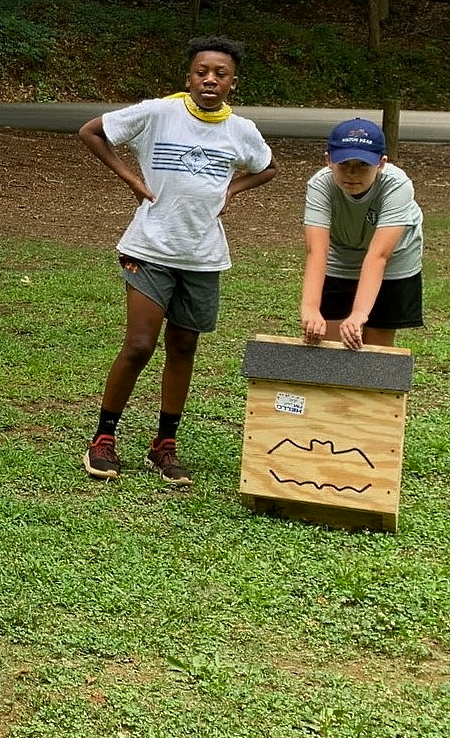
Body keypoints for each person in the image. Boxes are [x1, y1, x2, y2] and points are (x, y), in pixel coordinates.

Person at [78, 35, 276, 485]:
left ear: (232, 83)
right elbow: (91, 131)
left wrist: (232, 189)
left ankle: (164, 444)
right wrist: (130, 177)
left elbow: (267, 166)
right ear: (189, 77)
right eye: (202, 72)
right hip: (150, 248)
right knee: (140, 345)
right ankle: (103, 438)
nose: (210, 79)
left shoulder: (240, 130)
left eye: (220, 74)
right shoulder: (158, 112)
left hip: (203, 256)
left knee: (184, 347)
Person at [299, 118, 424, 350]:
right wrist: (310, 308)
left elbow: (379, 255)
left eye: (363, 165)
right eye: (344, 163)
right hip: (342, 254)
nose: (352, 173)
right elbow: (317, 250)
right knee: (329, 344)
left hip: (394, 259)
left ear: (381, 163)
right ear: (328, 160)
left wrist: (359, 314)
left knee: (376, 350)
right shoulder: (319, 185)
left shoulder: (398, 185)